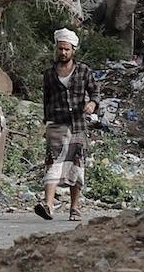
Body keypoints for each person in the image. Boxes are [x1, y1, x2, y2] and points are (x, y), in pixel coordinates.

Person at [36, 28, 100, 222]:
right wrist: (45, 123)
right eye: (60, 49)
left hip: (78, 124)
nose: (63, 52)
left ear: (73, 50)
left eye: (67, 49)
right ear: (56, 49)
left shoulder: (84, 71)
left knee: (76, 166)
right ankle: (48, 205)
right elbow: (46, 99)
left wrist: (92, 103)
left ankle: (74, 207)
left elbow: (95, 92)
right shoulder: (49, 74)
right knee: (52, 163)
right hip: (56, 123)